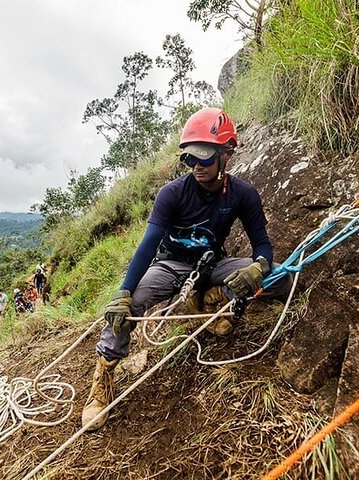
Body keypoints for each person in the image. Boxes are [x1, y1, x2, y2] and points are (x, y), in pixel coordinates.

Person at [81, 108, 293, 431]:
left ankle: (210, 297)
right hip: (169, 264)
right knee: (130, 305)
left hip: (212, 264)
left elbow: (262, 244)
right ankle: (103, 377)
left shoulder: (243, 195)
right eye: (190, 158)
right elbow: (148, 244)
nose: (196, 166)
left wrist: (259, 267)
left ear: (227, 154)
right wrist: (123, 291)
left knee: (280, 277)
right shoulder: (172, 194)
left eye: (205, 158)